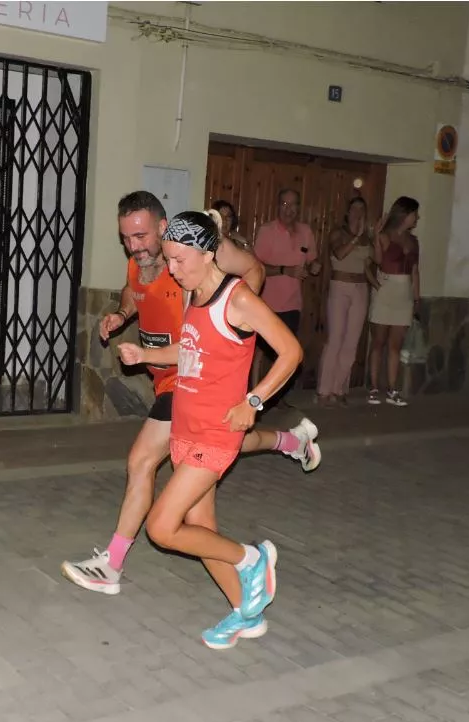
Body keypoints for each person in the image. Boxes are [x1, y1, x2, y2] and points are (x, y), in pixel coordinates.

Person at [61, 192, 320, 597]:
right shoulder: (142, 263)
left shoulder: (194, 267)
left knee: (143, 461)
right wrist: (122, 315)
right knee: (205, 507)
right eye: (126, 238)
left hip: (187, 381)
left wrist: (236, 319)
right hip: (177, 380)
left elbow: (250, 273)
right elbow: (134, 292)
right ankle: (245, 607)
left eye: (141, 235)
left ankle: (112, 563)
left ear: (163, 229)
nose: (134, 246)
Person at [118, 210, 302, 649]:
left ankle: (253, 558)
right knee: (202, 534)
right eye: (169, 259)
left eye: (180, 260)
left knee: (162, 527)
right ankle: (247, 613)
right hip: (186, 427)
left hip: (216, 434)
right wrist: (144, 354)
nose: (173, 269)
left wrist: (253, 402)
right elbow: (190, 350)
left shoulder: (237, 299)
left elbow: (291, 351)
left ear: (208, 252)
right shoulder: (192, 295)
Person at [250, 188, 321, 398]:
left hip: (292, 303)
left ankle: (277, 397)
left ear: (299, 207)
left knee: (286, 352)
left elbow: (313, 260)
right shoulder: (267, 231)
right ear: (278, 206)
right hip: (266, 302)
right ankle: (254, 396)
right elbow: (257, 266)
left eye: (293, 205)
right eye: (284, 204)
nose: (289, 209)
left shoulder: (305, 232)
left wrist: (315, 266)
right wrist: (284, 270)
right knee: (259, 353)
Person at [316, 197, 374, 406]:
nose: (358, 213)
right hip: (340, 287)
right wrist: (356, 237)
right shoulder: (338, 234)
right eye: (355, 209)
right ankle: (324, 390)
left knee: (352, 341)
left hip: (360, 289)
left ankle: (339, 388)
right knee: (335, 339)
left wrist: (377, 283)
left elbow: (370, 263)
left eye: (362, 209)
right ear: (347, 213)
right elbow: (339, 254)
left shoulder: (367, 238)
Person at [367, 196, 421, 407]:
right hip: (386, 289)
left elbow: (416, 271)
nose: (417, 217)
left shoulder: (414, 241)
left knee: (395, 346)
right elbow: (378, 261)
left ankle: (391, 388)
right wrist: (376, 237)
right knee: (378, 342)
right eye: (414, 213)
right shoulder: (385, 236)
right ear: (404, 214)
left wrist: (417, 298)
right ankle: (373, 387)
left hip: (404, 292)